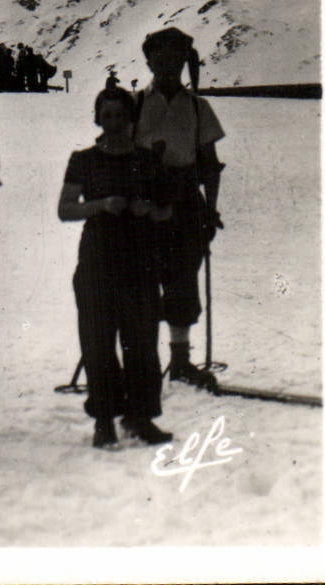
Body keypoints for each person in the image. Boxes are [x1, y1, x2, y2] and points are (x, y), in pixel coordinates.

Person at [58, 87, 173, 449]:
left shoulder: (148, 161)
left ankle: (139, 418)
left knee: (141, 343)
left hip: (139, 262)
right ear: (98, 118)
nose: (113, 123)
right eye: (106, 116)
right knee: (98, 342)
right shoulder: (83, 160)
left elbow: (166, 210)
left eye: (120, 116)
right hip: (97, 262)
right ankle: (104, 420)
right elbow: (65, 209)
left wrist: (148, 210)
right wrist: (101, 204)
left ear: (131, 118)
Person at [132, 27, 227, 389]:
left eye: (175, 61)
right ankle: (141, 362)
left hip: (187, 203)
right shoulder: (136, 104)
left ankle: (180, 361)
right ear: (149, 62)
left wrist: (212, 210)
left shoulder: (199, 108)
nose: (168, 67)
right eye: (160, 61)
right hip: (144, 203)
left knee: (182, 279)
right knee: (141, 281)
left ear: (185, 64)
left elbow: (210, 163)